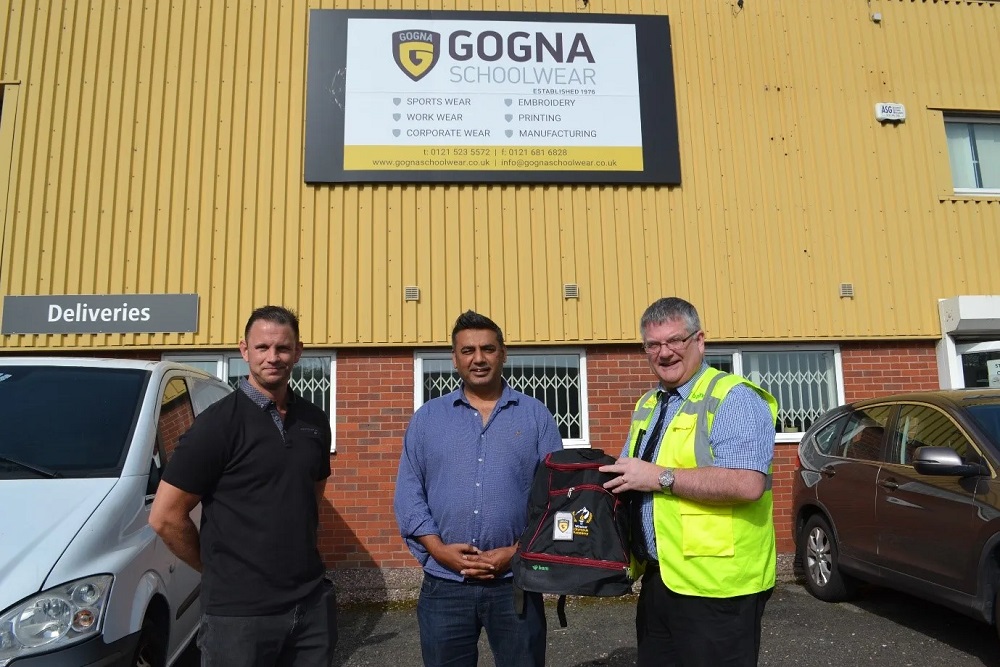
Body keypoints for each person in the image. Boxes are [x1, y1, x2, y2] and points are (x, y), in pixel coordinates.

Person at [150, 305, 336, 666]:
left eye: (283, 348)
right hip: (239, 616)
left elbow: (310, 499)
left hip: (310, 606)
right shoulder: (217, 425)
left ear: (298, 351)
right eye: (262, 348)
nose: (273, 357)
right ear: (244, 350)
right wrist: (213, 568)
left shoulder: (313, 420)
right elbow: (165, 517)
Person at [601, 297, 778, 667]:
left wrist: (658, 477)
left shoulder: (734, 398)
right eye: (653, 344)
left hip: (720, 589)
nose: (664, 353)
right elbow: (627, 476)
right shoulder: (649, 403)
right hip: (660, 578)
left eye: (675, 341)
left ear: (699, 340)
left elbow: (747, 484)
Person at [393, 310, 563, 667]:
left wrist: (517, 551)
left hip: (515, 583)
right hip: (444, 585)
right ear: (455, 359)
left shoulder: (535, 417)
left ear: (503, 353)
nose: (479, 358)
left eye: (488, 348)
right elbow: (409, 493)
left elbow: (556, 498)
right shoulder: (428, 418)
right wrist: (438, 550)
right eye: (468, 350)